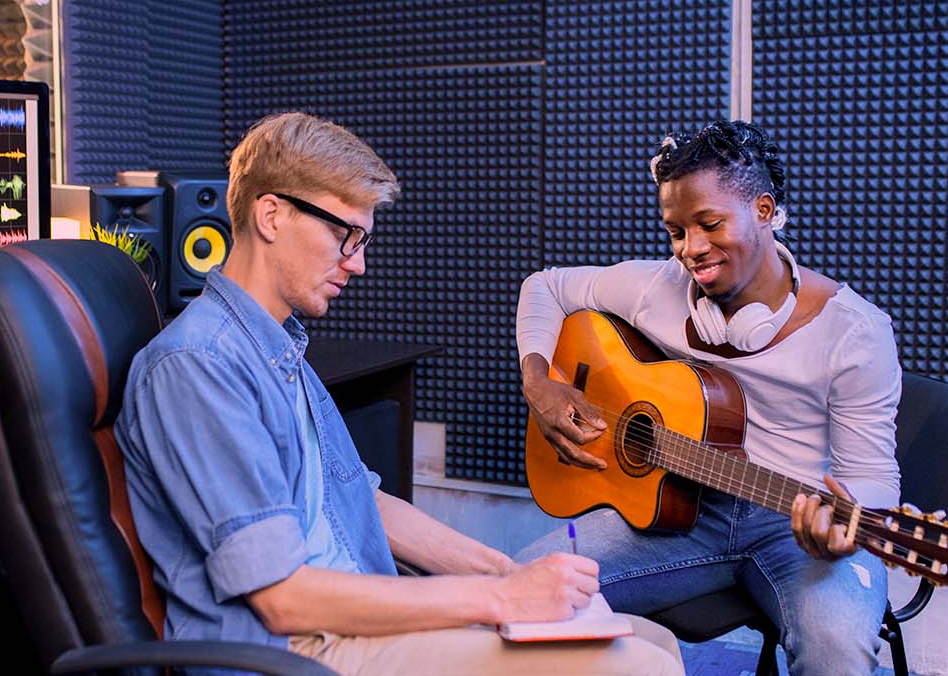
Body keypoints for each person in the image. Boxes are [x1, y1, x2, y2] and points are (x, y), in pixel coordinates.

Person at [116, 111, 683, 675]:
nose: (358, 264)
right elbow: (281, 598)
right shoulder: (199, 366)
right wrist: (499, 599)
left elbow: (365, 502)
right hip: (291, 652)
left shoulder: (278, 351)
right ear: (271, 215)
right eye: (346, 235)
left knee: (651, 641)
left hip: (348, 625)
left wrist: (504, 572)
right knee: (634, 667)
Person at [515, 120, 901, 676]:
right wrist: (539, 382)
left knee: (836, 651)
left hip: (796, 522)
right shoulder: (656, 288)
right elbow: (545, 286)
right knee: (518, 590)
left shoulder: (854, 332)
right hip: (679, 509)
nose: (690, 250)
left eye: (710, 224)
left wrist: (844, 525)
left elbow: (873, 477)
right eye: (675, 231)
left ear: (764, 210)